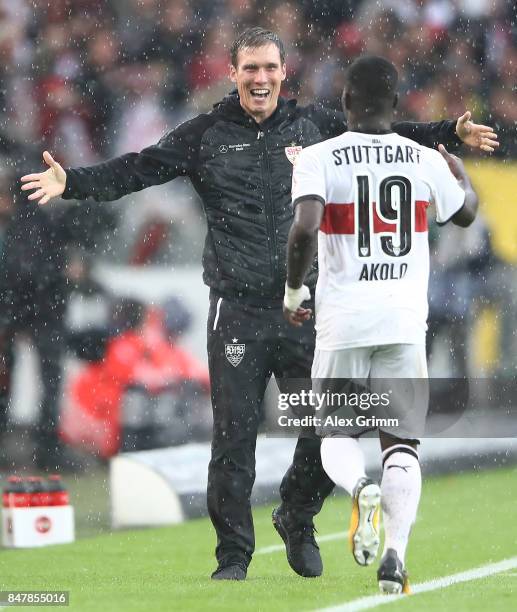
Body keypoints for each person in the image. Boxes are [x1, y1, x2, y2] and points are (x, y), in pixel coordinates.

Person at [20, 27, 495, 581]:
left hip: (308, 307)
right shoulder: (206, 133)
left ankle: (296, 513)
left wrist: (449, 132)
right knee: (233, 438)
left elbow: (385, 131)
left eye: (269, 67)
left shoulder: (314, 126)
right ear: (233, 73)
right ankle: (233, 557)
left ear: (283, 71)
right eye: (250, 69)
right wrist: (71, 181)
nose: (261, 78)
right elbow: (139, 168)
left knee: (332, 426)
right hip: (237, 309)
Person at [283, 55, 479, 594]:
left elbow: (304, 228)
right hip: (402, 320)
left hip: (344, 320)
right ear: (397, 106)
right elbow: (465, 214)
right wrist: (462, 179)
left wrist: (295, 289)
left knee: (333, 431)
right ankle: (395, 555)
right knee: (403, 445)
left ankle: (358, 484)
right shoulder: (422, 159)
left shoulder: (319, 156)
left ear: (345, 104)